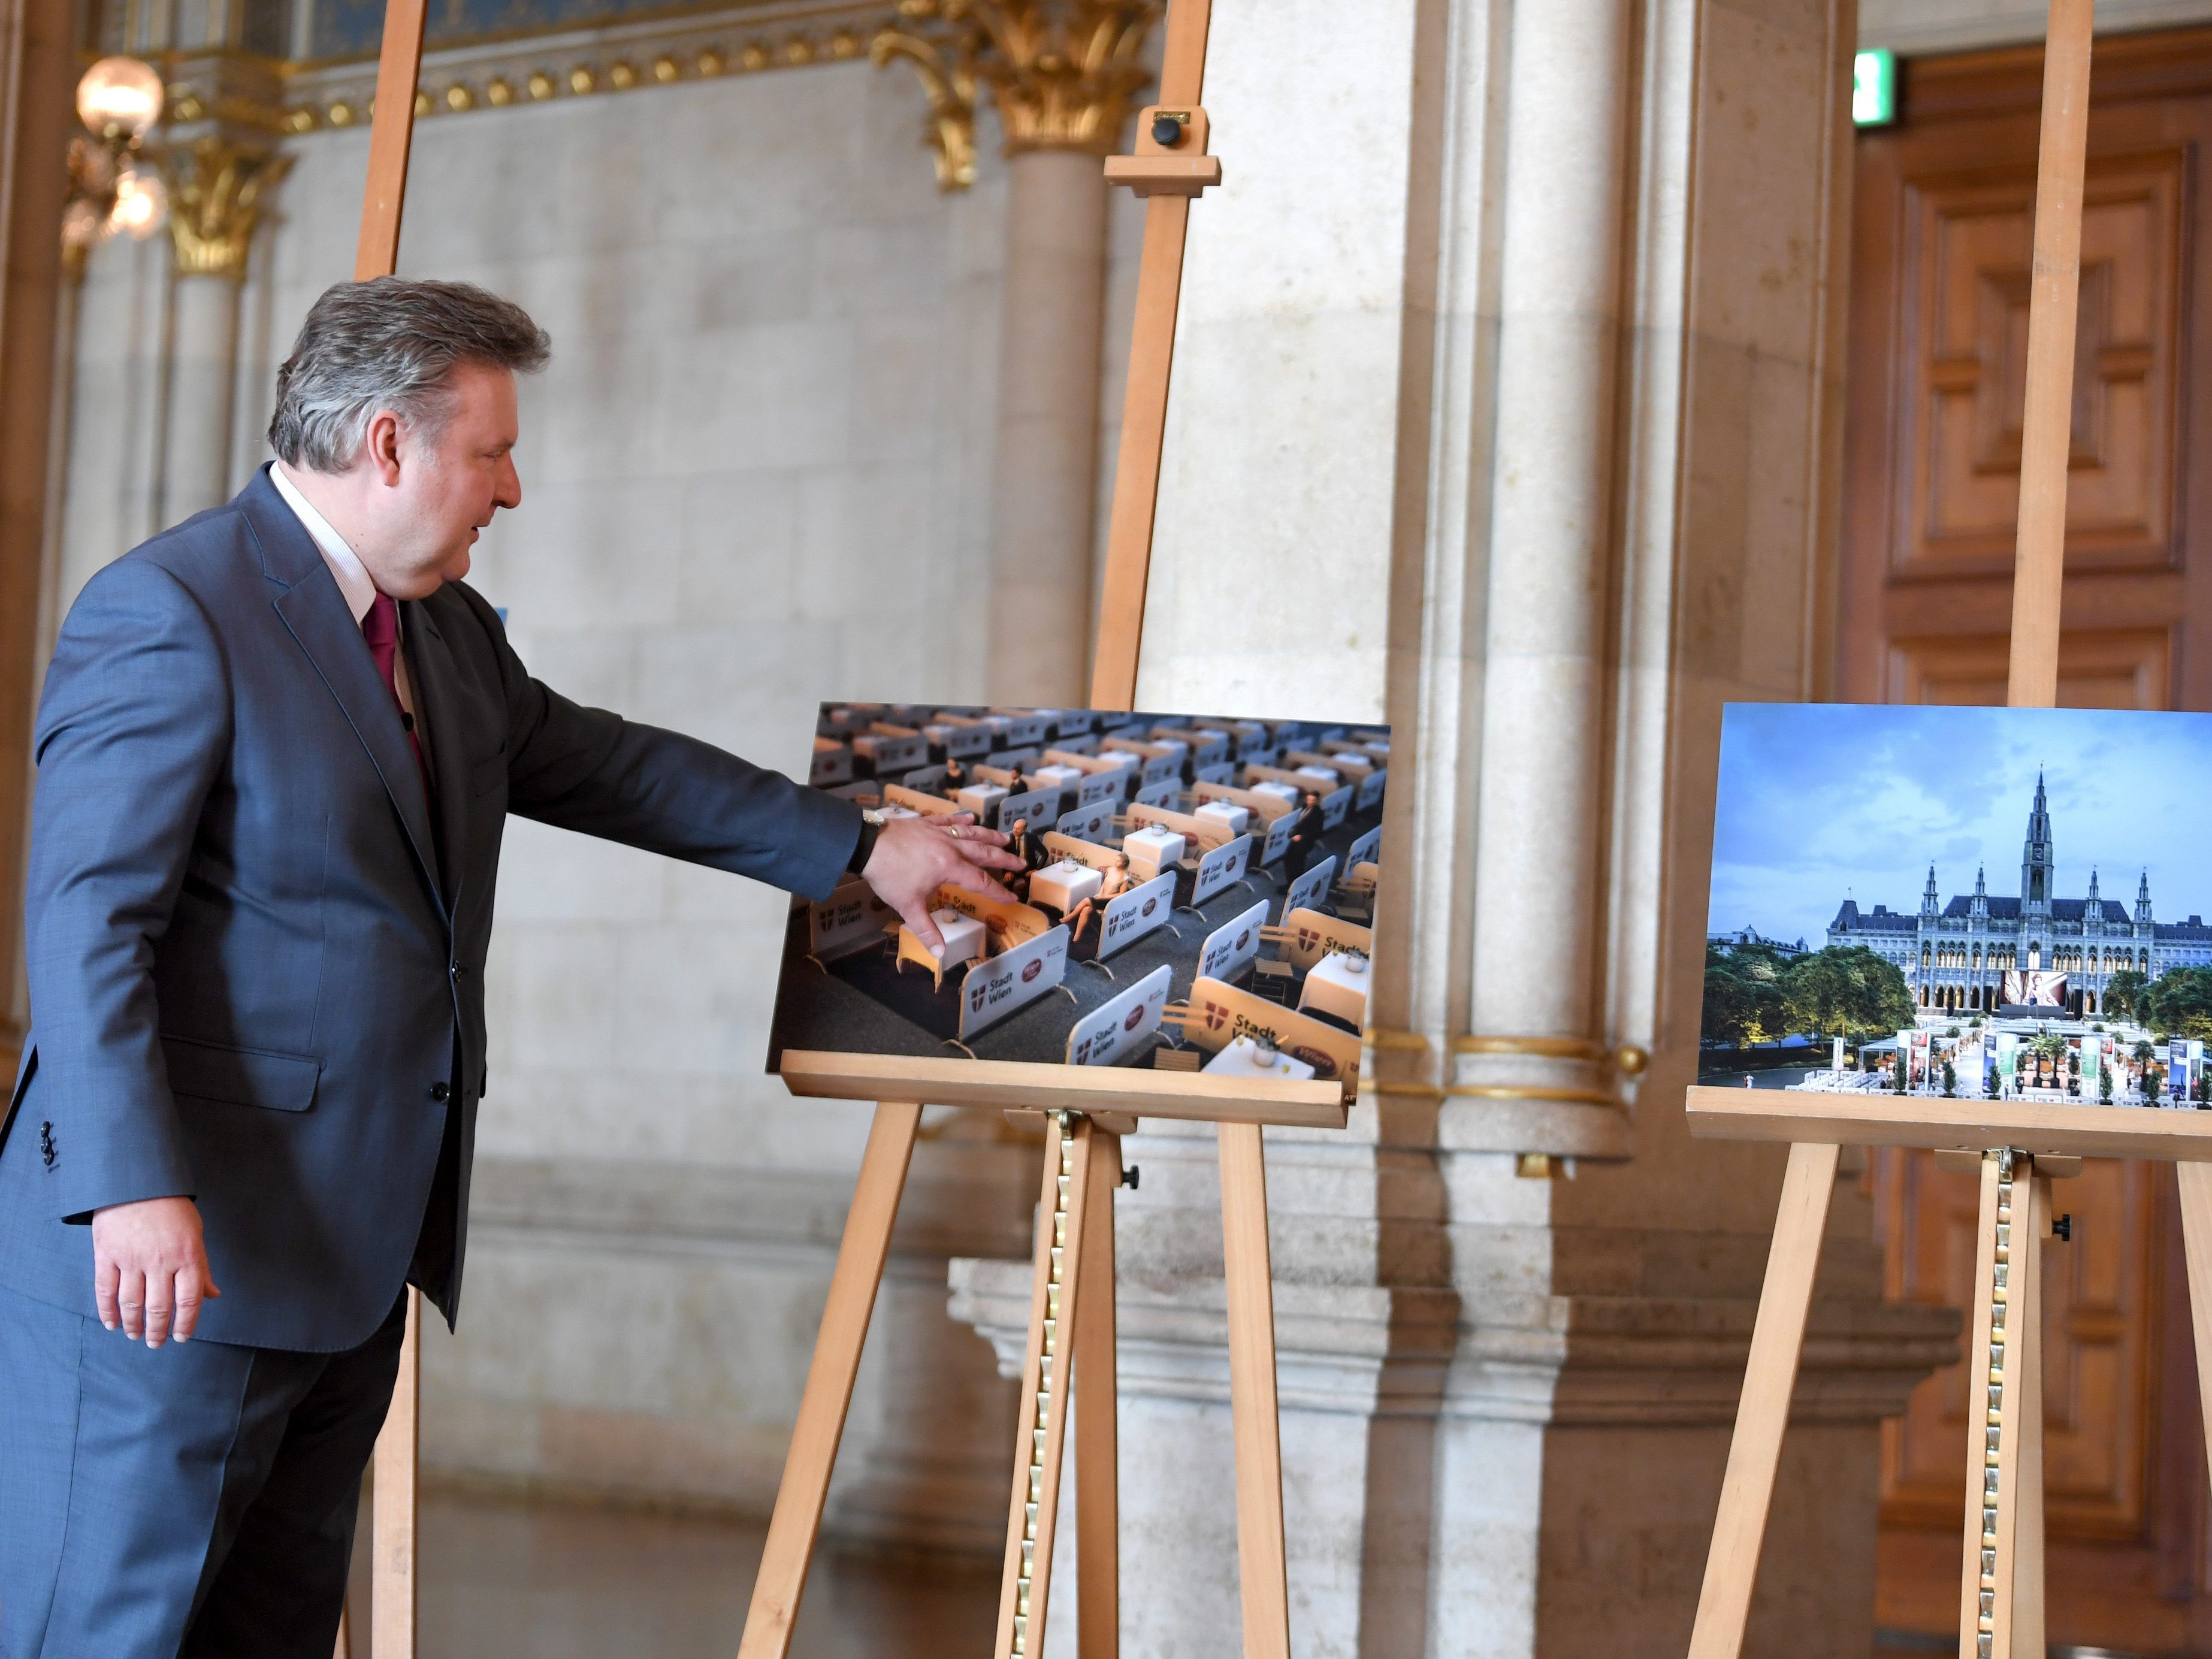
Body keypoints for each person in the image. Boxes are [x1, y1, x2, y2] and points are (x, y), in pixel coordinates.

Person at [0, 277, 1023, 1659]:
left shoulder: (449, 632)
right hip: (175, 1262)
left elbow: (609, 766)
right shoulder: (170, 611)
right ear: (386, 444)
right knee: (114, 1633)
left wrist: (857, 844)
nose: (514, 488)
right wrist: (130, 1186)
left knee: (272, 1632)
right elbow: (83, 927)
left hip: (350, 1258)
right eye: (492, 451)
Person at [1286, 788, 1328, 876]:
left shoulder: (1319, 814)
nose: (1310, 802)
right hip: (1296, 838)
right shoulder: (1305, 808)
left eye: (1313, 800)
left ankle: (1293, 882)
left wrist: (1302, 837)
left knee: (1298, 863)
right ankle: (1290, 880)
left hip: (1305, 842)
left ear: (1317, 801)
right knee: (1289, 859)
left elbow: (1317, 832)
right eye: (1309, 800)